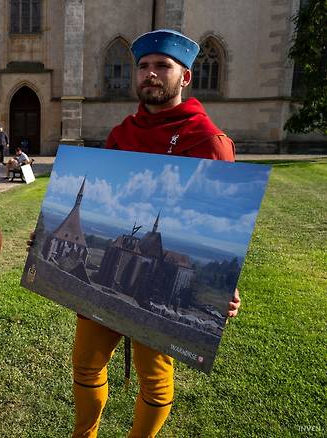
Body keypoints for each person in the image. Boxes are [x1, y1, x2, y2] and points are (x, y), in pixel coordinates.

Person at [70, 30, 241, 437]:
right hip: (116, 272)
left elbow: (229, 223)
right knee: (86, 362)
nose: (150, 74)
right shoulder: (120, 134)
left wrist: (230, 288)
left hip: (153, 279)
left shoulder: (209, 142)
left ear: (185, 77)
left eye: (162, 66)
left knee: (155, 378)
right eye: (144, 66)